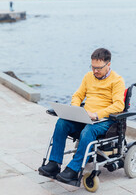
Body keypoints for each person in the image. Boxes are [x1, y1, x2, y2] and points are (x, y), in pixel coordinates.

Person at [38, 48, 125, 183]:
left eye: (98, 68)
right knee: (62, 123)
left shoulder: (117, 81)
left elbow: (119, 105)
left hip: (104, 120)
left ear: (108, 65)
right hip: (85, 116)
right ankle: (54, 164)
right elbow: (78, 95)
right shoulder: (88, 76)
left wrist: (96, 115)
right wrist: (75, 109)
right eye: (93, 67)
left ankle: (74, 169)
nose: (95, 71)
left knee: (89, 130)